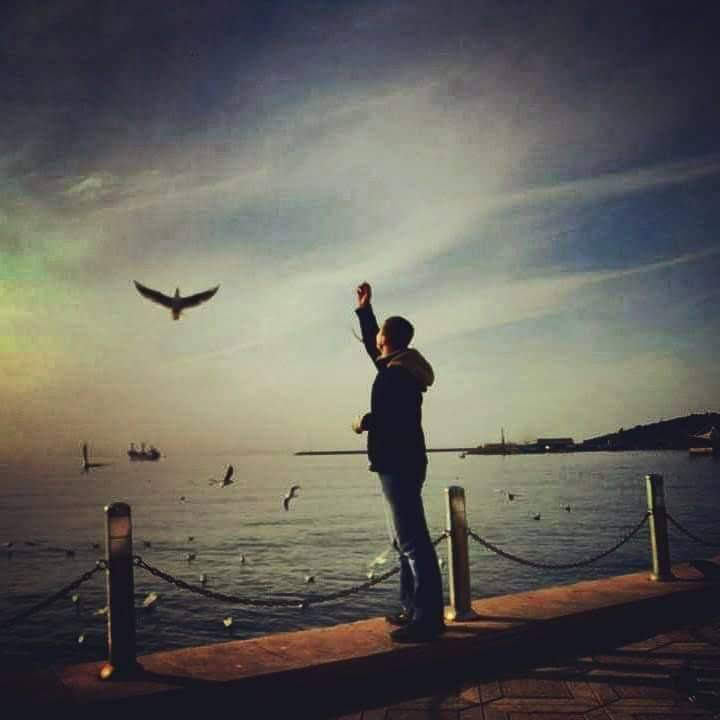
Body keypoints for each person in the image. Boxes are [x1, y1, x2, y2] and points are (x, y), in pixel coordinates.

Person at [353, 281, 445, 643]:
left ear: (386, 340)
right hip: (403, 462)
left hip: (398, 463)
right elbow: (371, 342)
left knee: (412, 542)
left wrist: (366, 422)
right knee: (403, 541)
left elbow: (395, 419)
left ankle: (428, 619)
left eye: (379, 334)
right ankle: (411, 608)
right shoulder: (399, 367)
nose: (375, 339)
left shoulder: (396, 375)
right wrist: (365, 310)